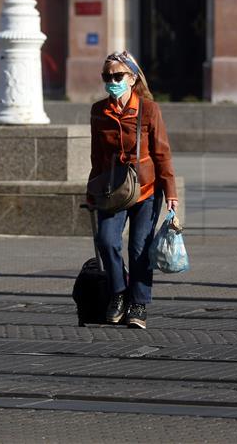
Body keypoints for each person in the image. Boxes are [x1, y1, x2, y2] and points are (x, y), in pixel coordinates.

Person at [88, 50, 178, 329]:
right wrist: (92, 190)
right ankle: (118, 292)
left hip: (147, 189)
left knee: (139, 247)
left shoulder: (149, 110)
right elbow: (97, 156)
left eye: (117, 76)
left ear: (132, 78)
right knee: (106, 241)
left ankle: (138, 303)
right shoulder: (98, 110)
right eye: (107, 77)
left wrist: (171, 193)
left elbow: (162, 153)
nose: (112, 81)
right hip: (113, 189)